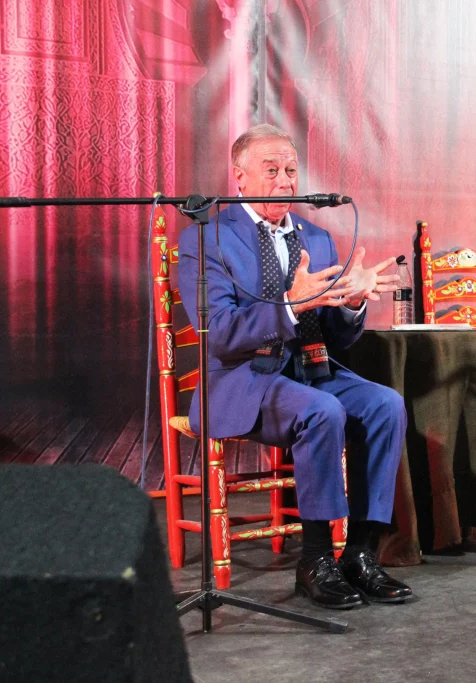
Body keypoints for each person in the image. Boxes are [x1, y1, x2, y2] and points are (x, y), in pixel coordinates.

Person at [178, 123, 412, 608]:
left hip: (313, 368)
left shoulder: (319, 239)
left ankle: (361, 553)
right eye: (272, 171)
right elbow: (220, 333)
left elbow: (339, 338)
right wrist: (290, 303)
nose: (286, 181)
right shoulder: (207, 238)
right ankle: (315, 558)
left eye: (291, 170)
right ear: (238, 177)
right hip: (243, 378)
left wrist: (350, 303)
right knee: (321, 410)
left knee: (386, 405)